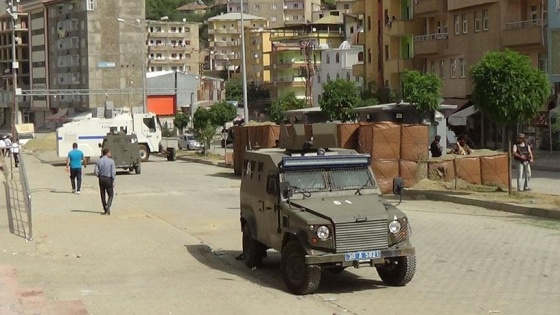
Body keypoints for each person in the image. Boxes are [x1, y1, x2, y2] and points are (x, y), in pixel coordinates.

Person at [94, 148, 116, 215]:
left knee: (102, 194)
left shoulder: (99, 161)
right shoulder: (111, 161)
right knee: (111, 194)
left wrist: (99, 176)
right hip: (108, 178)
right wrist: (113, 180)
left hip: (101, 178)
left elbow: (95, 171)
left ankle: (105, 208)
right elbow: (113, 172)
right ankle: (108, 205)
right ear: (107, 153)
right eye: (110, 152)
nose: (110, 154)